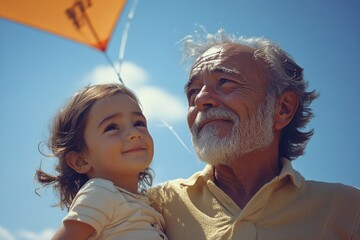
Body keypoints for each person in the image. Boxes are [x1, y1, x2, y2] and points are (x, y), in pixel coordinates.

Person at [148, 29, 360, 240]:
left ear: (283, 108)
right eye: (192, 92)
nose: (201, 99)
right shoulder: (155, 205)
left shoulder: (348, 209)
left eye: (225, 82)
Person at [35, 83, 167, 240]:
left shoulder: (150, 204)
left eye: (139, 123)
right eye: (112, 127)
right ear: (80, 161)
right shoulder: (100, 192)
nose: (134, 133)